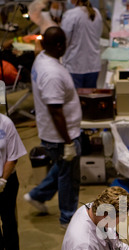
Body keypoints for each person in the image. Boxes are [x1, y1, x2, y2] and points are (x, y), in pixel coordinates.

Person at [24, 26, 82, 229]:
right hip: (60, 136)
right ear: (59, 46)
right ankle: (68, 219)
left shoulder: (42, 58)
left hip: (54, 133)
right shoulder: (52, 73)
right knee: (69, 177)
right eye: (65, 42)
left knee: (62, 167)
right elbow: (55, 111)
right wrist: (68, 142)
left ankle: (36, 195)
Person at [0, 113, 27, 250]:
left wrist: (3, 180)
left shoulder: (5, 123)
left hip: (7, 180)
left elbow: (13, 156)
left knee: (8, 219)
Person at [61, 0, 103, 88]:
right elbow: (98, 35)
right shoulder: (97, 13)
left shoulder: (71, 14)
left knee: (75, 99)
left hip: (75, 66)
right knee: (89, 99)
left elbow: (64, 40)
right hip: (93, 65)